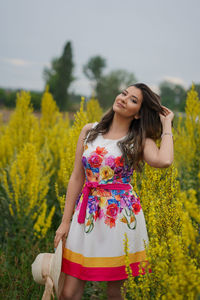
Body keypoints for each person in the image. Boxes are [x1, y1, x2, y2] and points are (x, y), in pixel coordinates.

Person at [54, 83, 174, 300]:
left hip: (119, 218)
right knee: (68, 293)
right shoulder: (90, 131)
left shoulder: (139, 139)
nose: (123, 98)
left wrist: (167, 124)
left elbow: (164, 160)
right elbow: (77, 177)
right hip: (86, 214)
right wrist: (65, 221)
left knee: (115, 293)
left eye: (133, 100)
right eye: (124, 93)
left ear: (138, 114)